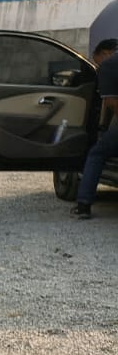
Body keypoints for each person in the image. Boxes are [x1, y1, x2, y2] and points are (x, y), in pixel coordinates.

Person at [73, 37, 118, 219]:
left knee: (97, 153)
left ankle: (83, 204)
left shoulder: (109, 66)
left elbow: (111, 102)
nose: (98, 66)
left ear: (105, 53)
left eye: (97, 61)